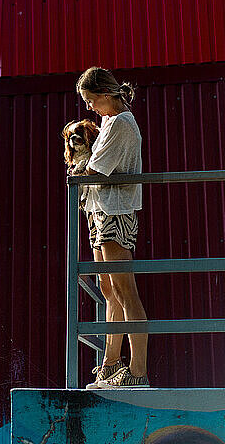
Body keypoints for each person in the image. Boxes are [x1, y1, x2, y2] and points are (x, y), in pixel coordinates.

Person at [75, 66, 149, 389]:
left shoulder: (121, 123)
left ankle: (138, 370)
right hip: (101, 210)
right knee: (108, 290)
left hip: (116, 212)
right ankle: (109, 363)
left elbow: (94, 167)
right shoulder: (108, 122)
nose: (89, 108)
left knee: (124, 290)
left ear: (106, 94)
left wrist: (82, 167)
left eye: (91, 100)